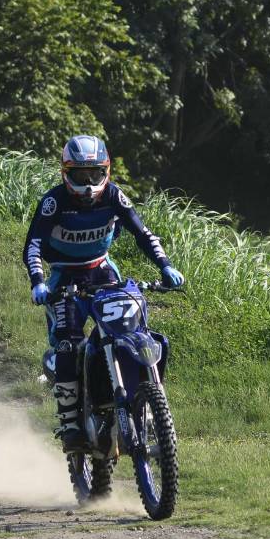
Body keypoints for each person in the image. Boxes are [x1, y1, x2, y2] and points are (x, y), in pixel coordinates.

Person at [22, 134, 183, 451]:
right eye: (81, 176)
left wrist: (164, 265)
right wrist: (38, 282)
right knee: (68, 344)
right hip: (65, 278)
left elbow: (143, 233)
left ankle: (144, 400)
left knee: (134, 330)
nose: (88, 183)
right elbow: (34, 245)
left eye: (95, 174)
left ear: (106, 171)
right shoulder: (54, 202)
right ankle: (70, 425)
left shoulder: (114, 196)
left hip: (103, 270)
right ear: (66, 173)